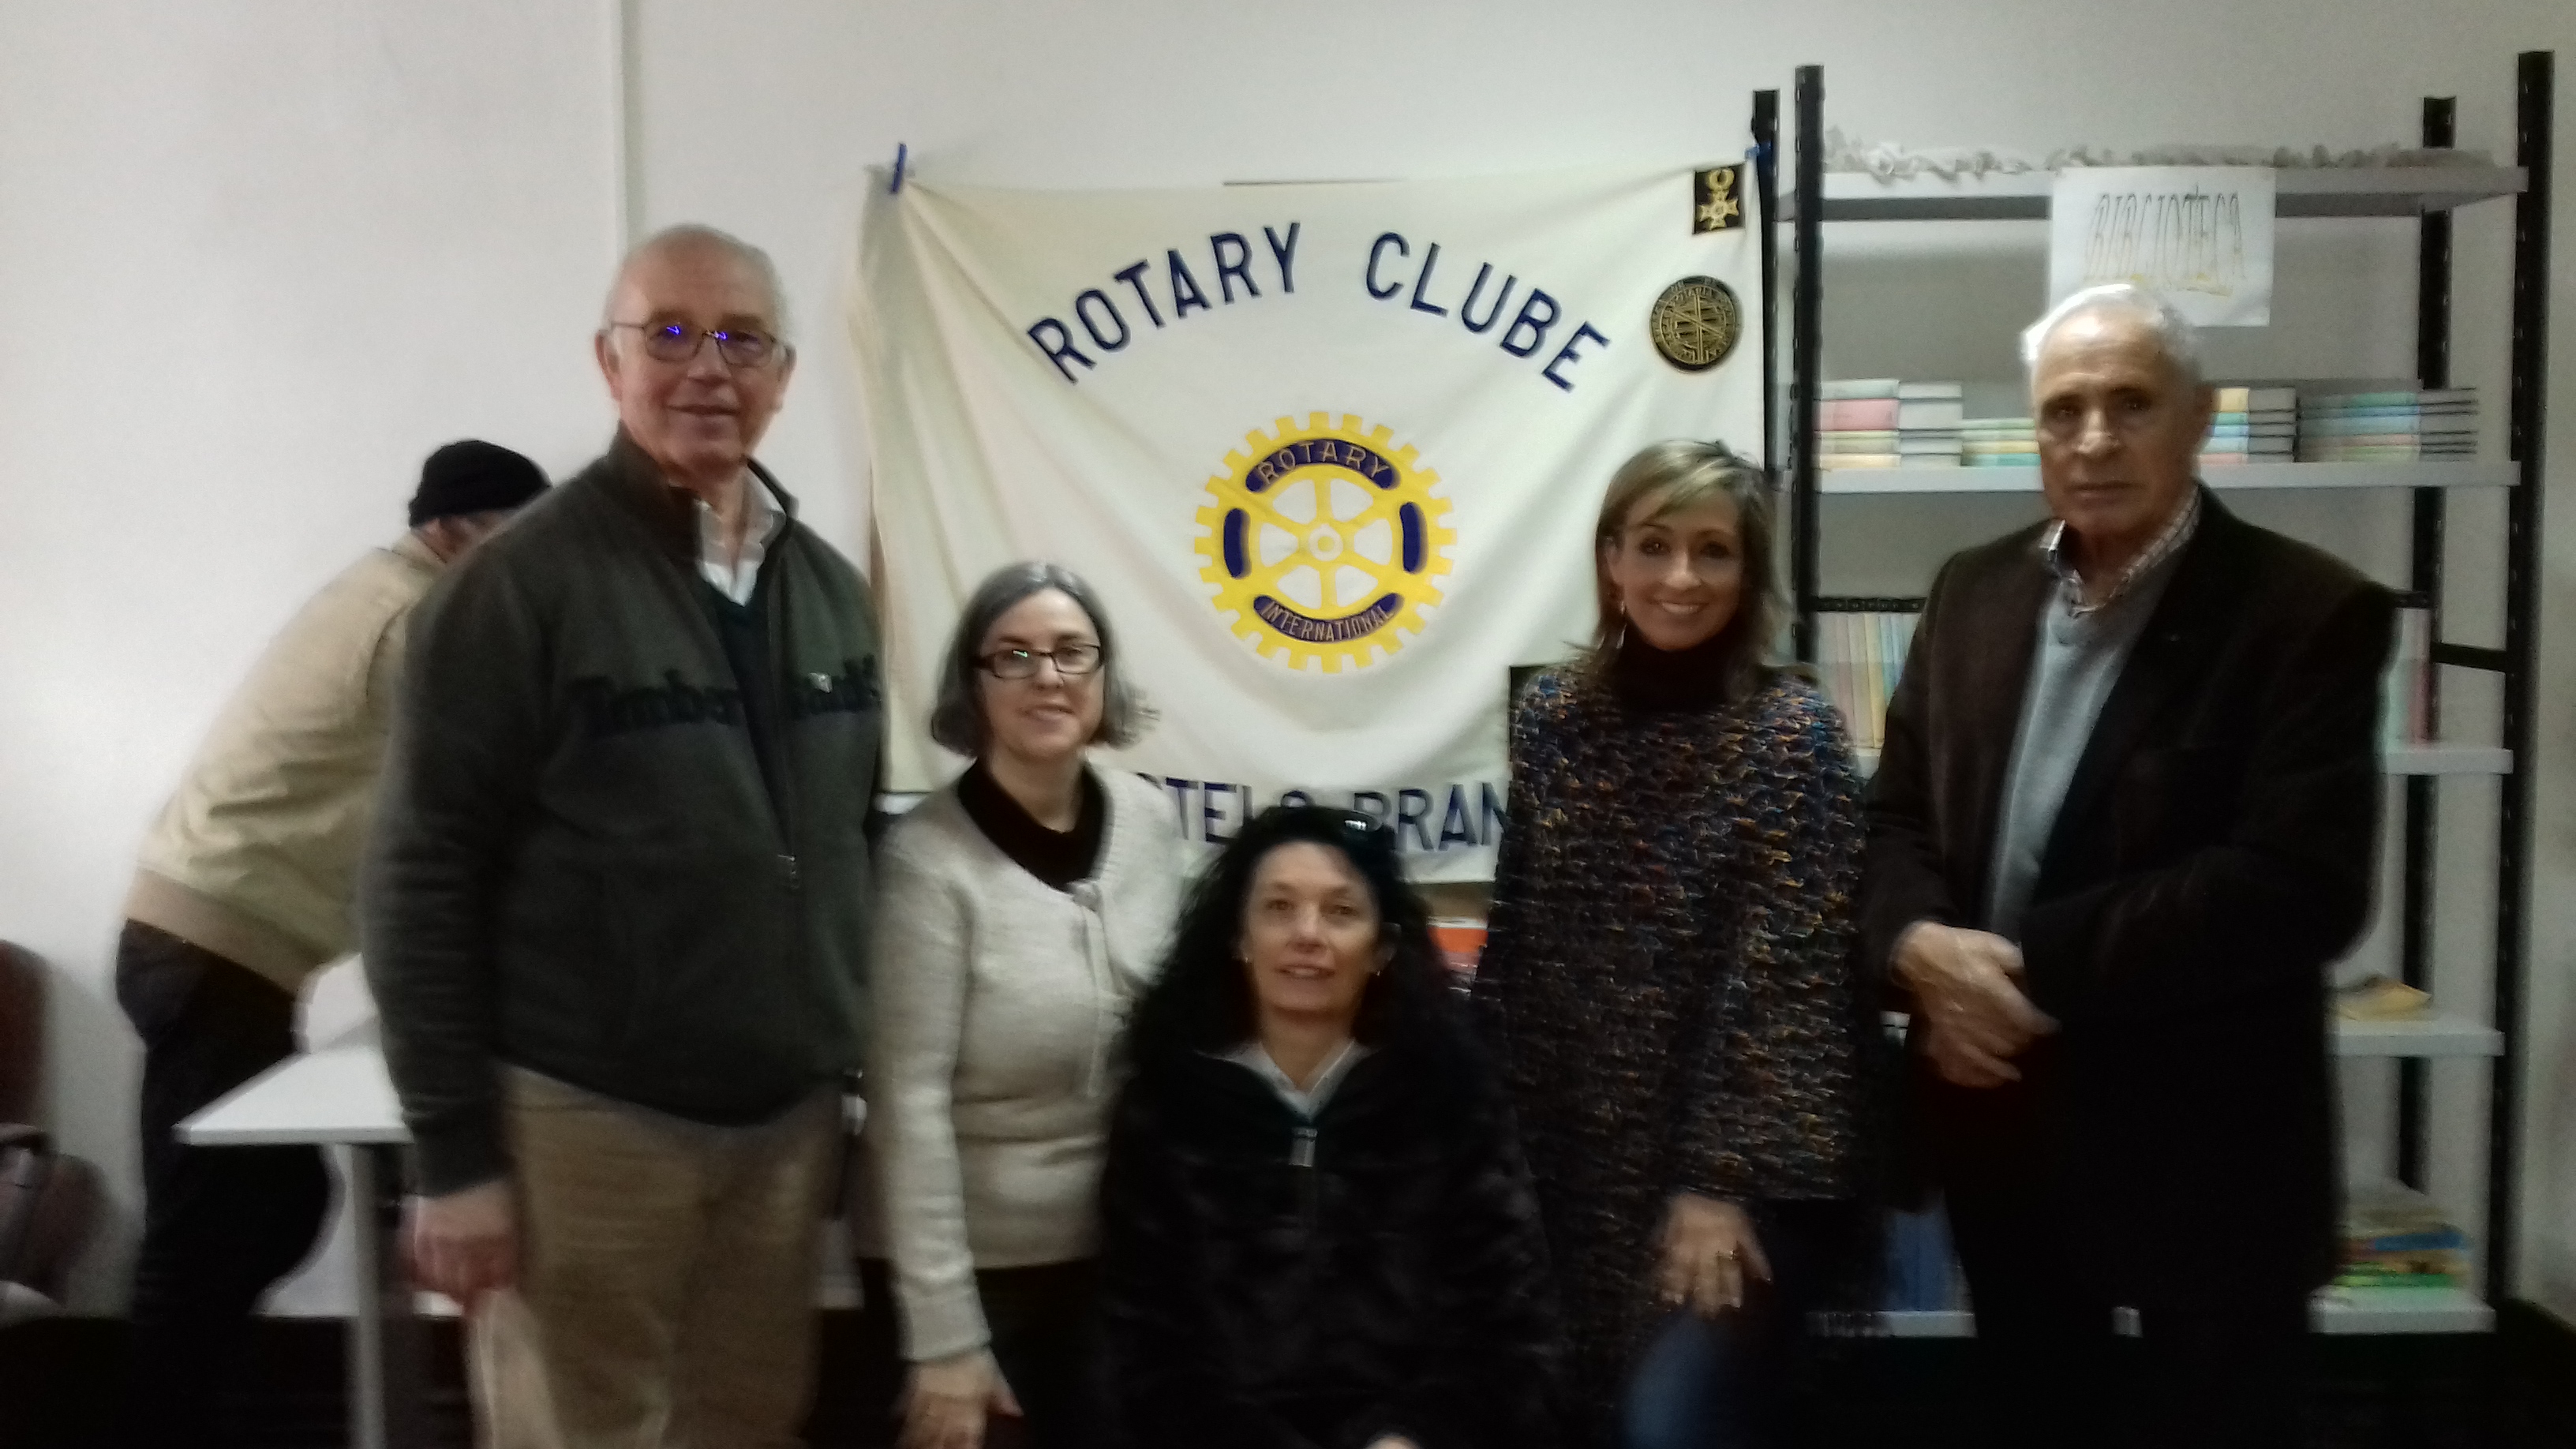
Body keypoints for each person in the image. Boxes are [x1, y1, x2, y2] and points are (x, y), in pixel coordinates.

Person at [365, 224, 883, 1447]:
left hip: (783, 1131)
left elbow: (852, 838)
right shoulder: (515, 589)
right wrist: (456, 1158)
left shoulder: (830, 592)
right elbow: (419, 876)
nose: (708, 368)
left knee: (745, 1424)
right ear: (611, 364)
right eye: (671, 335)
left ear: (784, 375)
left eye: (742, 340)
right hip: (582, 1126)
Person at [1859, 283, 2394, 1449]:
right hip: (2003, 1121)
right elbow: (1894, 818)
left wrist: (2008, 975)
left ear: (2199, 416)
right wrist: (1915, 946)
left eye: (2129, 404)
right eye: (2064, 410)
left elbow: (2298, 883)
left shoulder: (2308, 613)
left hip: (2206, 1152)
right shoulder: (1972, 591)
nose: (2093, 438)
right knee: (2034, 1414)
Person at [114, 440, 545, 1449]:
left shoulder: (387, 595)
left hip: (212, 942)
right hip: (213, 942)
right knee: (206, 1242)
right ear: (455, 533)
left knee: (265, 1213)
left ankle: (198, 1418)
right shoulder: (415, 623)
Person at [1473, 440, 1875, 1449]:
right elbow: (1520, 940)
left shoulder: (1794, 735)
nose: (1681, 577)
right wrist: (1487, 1146)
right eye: (1654, 545)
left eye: (1713, 550)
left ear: (1749, 574)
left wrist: (1719, 1182)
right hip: (1570, 1154)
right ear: (1611, 558)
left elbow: (1791, 982)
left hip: (1742, 1168)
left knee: (1669, 1423)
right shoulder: (1554, 719)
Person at [1098, 806, 1562, 1449]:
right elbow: (1145, 1343)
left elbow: (1510, 1331)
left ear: (1382, 949)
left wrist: (1411, 1436)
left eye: (1341, 912)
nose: (1307, 935)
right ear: (1238, 937)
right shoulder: (1169, 1102)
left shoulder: (1450, 1098)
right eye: (1279, 908)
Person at [863, 562, 1186, 1449]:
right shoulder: (925, 862)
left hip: (1119, 1254)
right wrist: (945, 1340)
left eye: (1072, 653)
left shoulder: (1151, 823)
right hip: (972, 1276)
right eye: (1014, 656)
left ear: (1104, 674)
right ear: (973, 683)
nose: (1047, 677)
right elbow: (906, 1106)